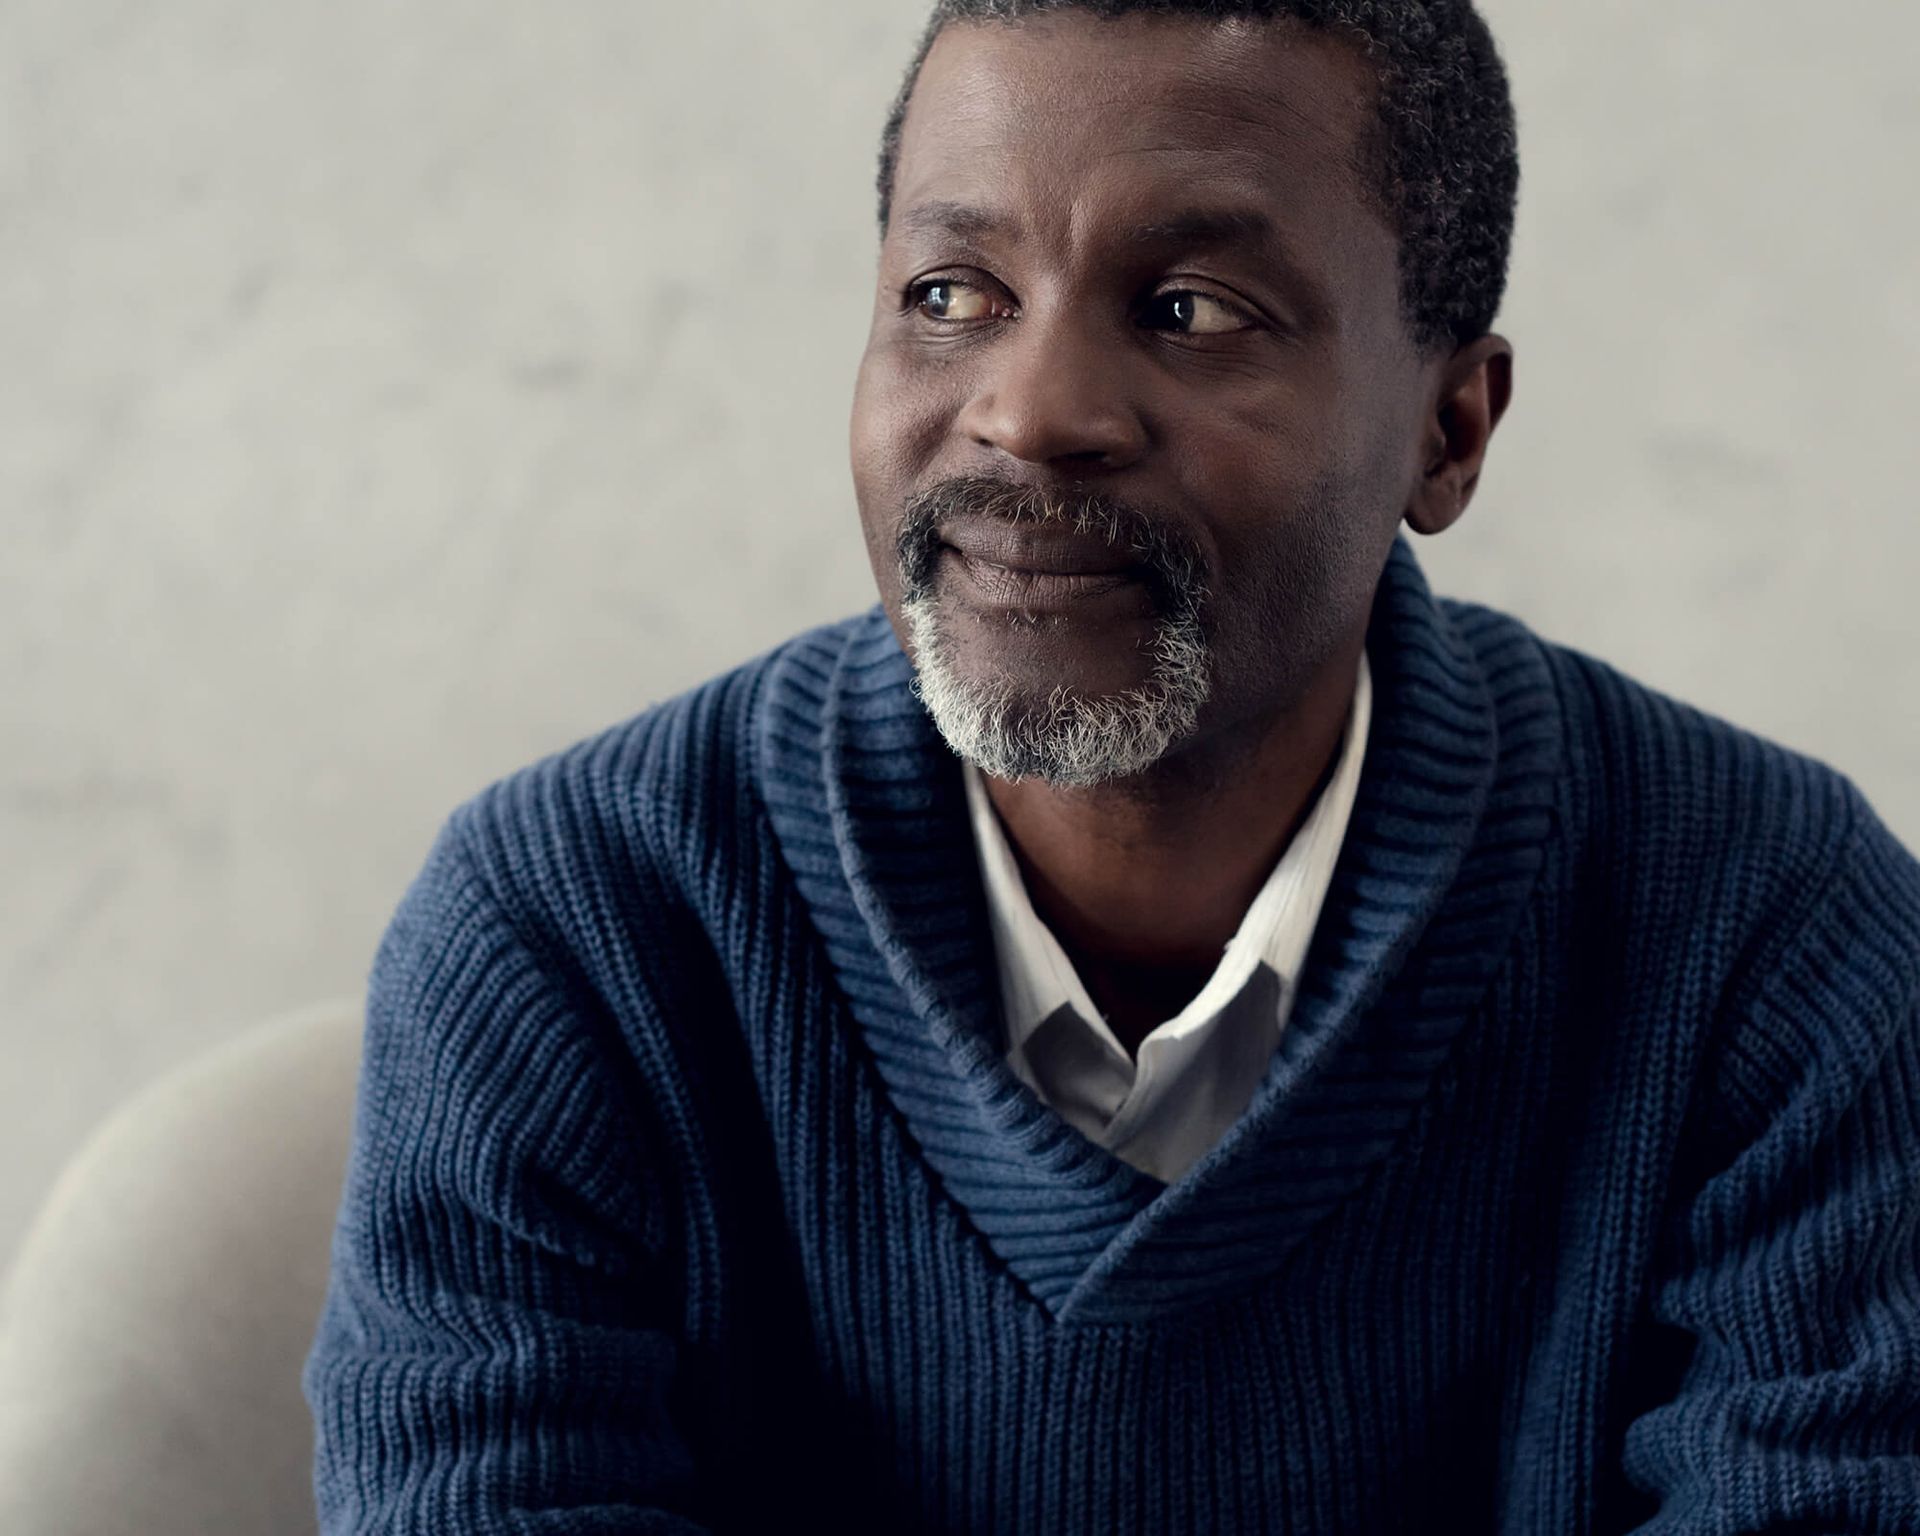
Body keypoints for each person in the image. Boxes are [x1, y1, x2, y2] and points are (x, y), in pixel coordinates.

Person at [302, 2, 1920, 1531]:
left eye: (1192, 310)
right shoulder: (570, 939)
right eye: (951, 296)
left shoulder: (1775, 942)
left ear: (1450, 431)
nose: (1033, 411)